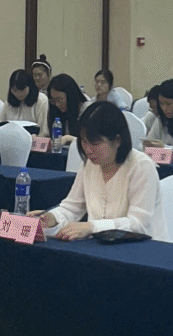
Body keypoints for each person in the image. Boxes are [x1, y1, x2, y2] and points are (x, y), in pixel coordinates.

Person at [41, 101, 159, 239]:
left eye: (95, 143)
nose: (88, 150)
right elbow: (72, 207)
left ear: (117, 140)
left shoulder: (141, 166)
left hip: (141, 248)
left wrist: (92, 227)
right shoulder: (90, 164)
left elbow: (138, 224)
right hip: (98, 246)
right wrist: (51, 217)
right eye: (84, 142)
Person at [48, 74, 87, 140]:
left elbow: (89, 141)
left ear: (70, 96)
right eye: (53, 100)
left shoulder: (85, 109)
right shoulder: (54, 109)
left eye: (60, 99)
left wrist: (68, 139)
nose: (57, 104)